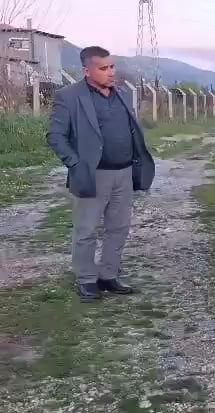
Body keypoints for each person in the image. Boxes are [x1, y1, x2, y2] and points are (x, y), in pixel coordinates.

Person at [46, 46, 155, 302]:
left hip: (124, 173)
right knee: (86, 230)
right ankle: (86, 280)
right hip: (93, 174)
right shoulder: (69, 96)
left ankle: (108, 275)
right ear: (87, 70)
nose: (110, 72)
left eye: (112, 67)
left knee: (119, 228)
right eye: (103, 68)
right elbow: (55, 136)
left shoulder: (122, 94)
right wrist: (76, 164)